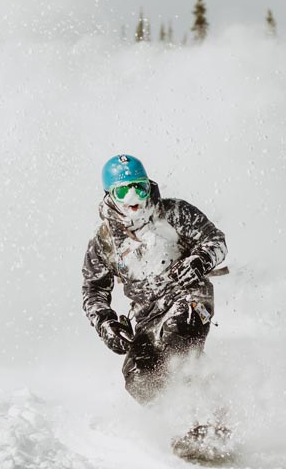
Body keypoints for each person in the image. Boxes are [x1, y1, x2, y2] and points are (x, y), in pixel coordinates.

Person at [82, 154, 227, 405]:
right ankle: (177, 422)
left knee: (178, 342)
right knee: (139, 374)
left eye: (140, 188)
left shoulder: (174, 213)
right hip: (148, 316)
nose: (134, 199)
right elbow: (94, 289)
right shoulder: (105, 241)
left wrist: (200, 260)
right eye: (123, 192)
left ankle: (204, 419)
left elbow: (215, 240)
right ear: (109, 195)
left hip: (189, 297)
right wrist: (106, 324)